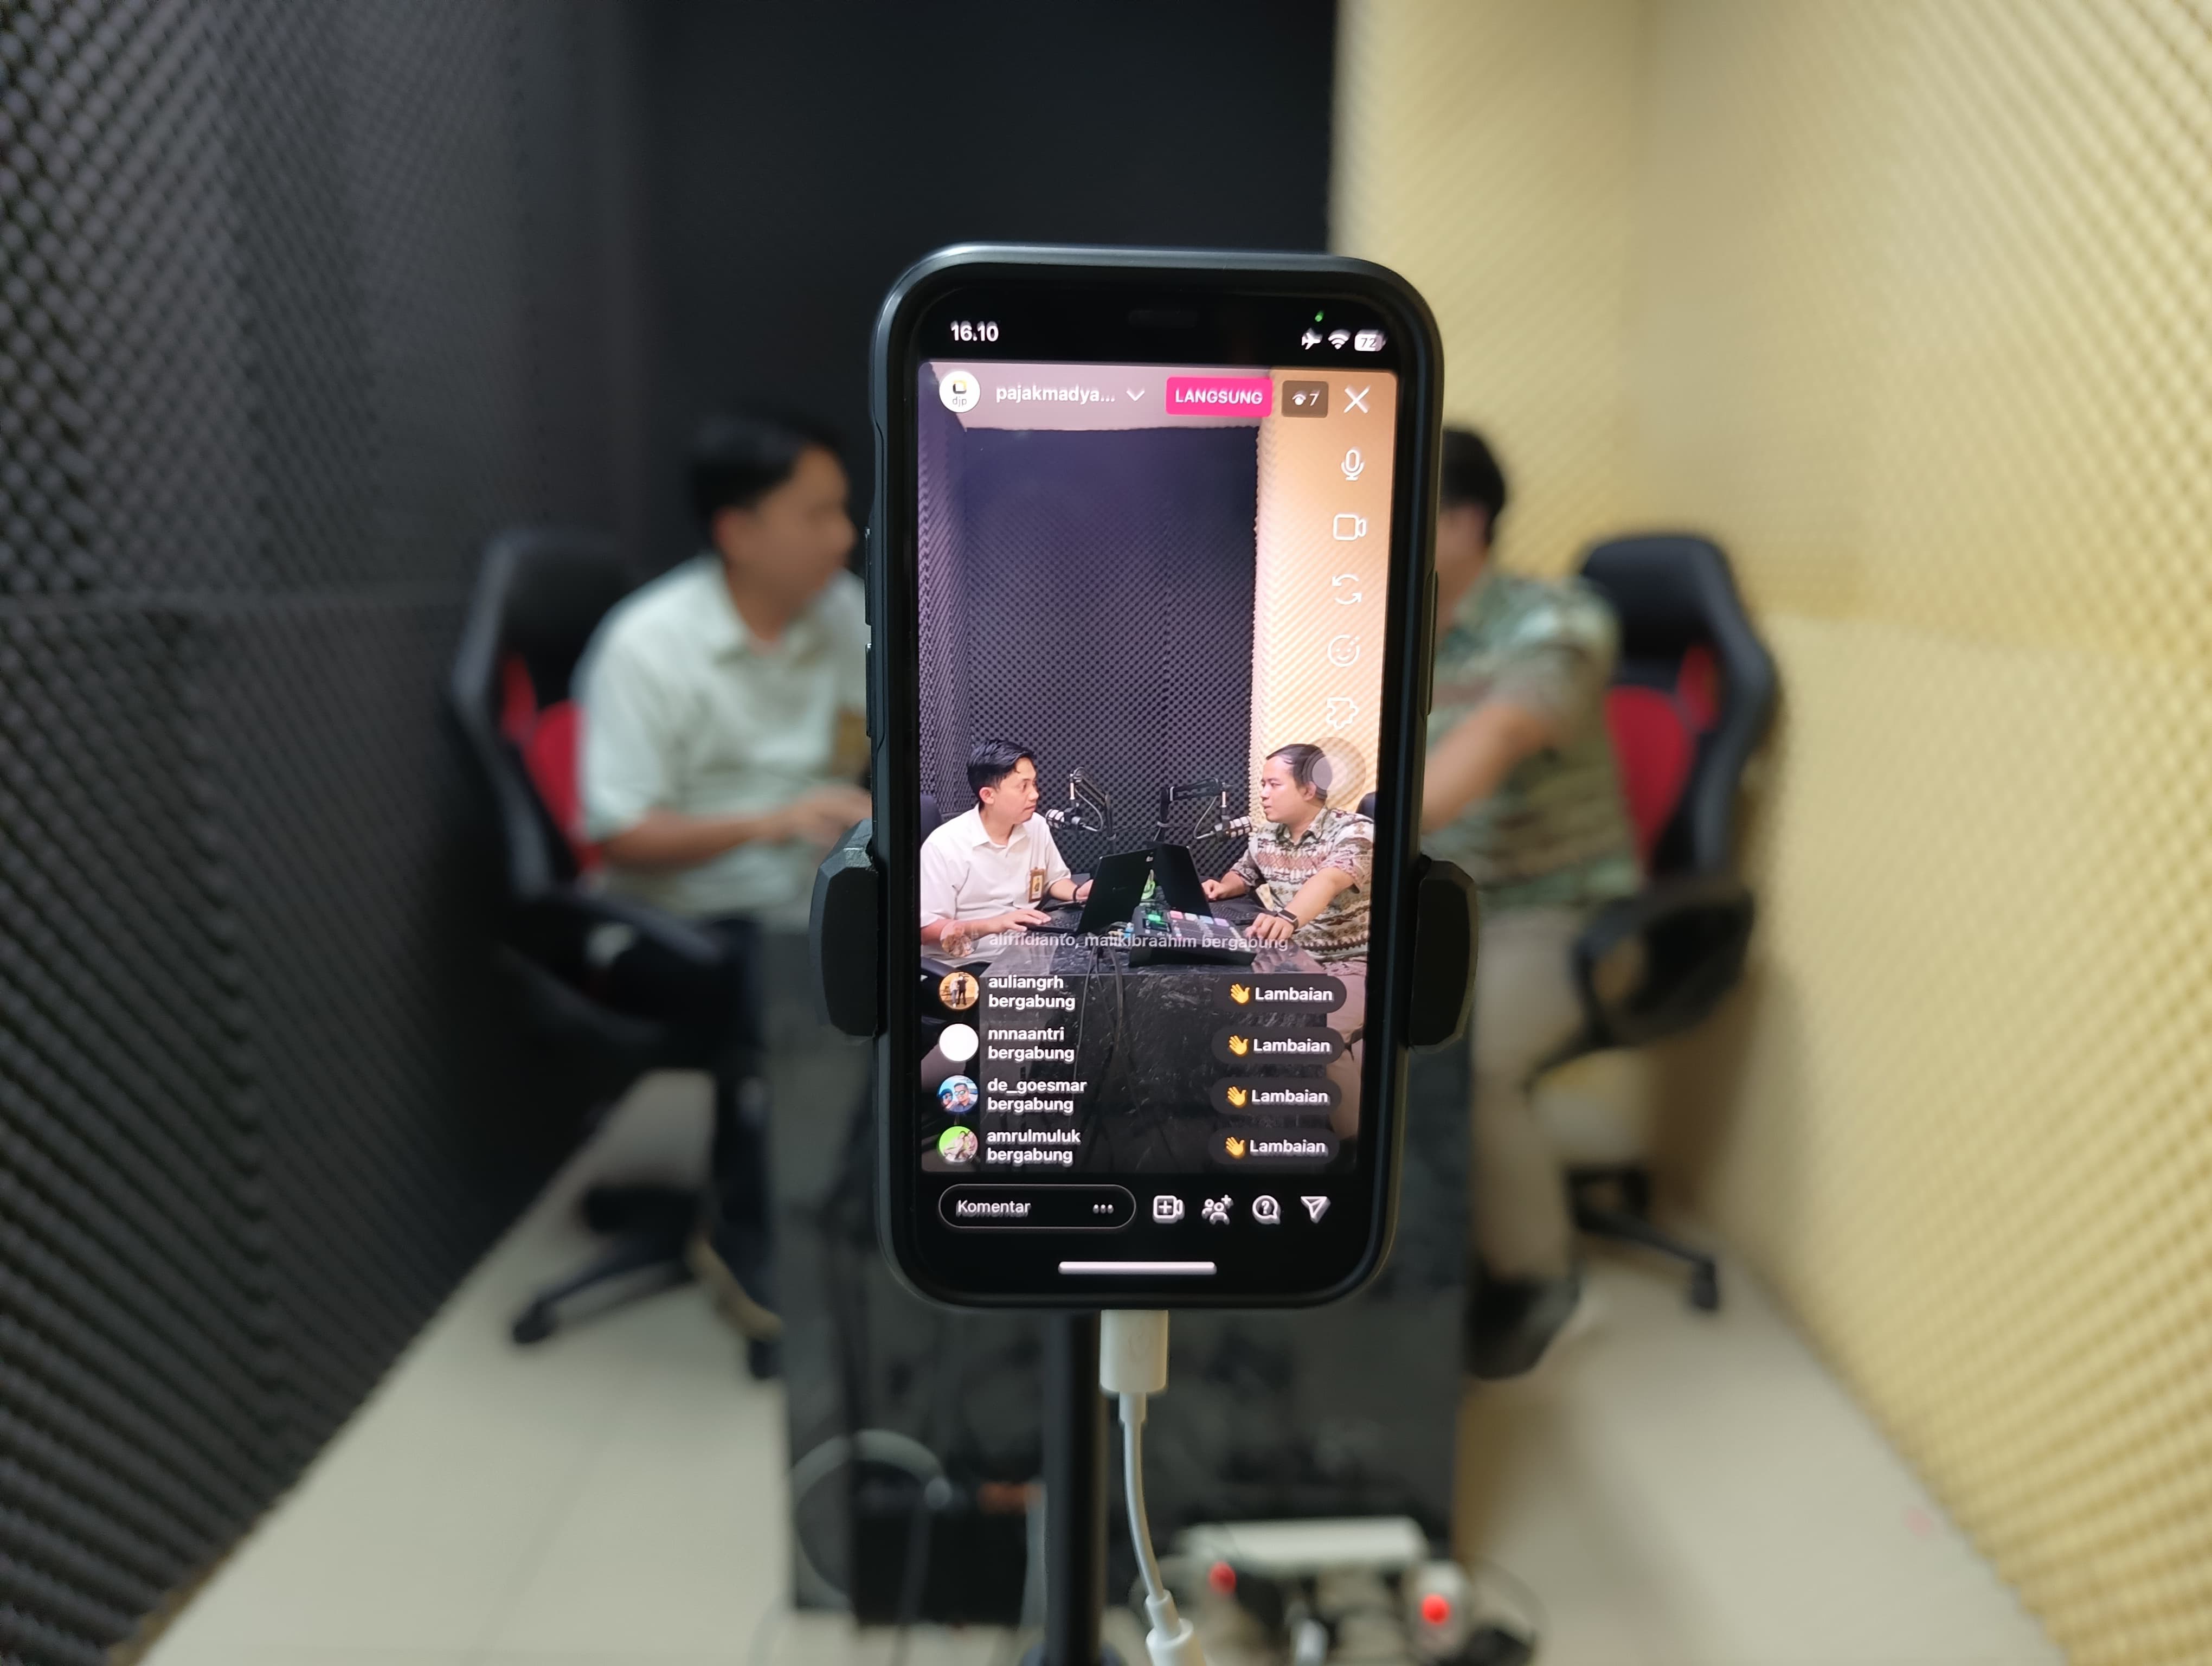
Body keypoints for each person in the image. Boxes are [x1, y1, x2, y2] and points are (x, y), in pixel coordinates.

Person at [577, 410, 872, 1350]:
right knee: (797, 993)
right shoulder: (647, 644)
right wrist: (773, 820)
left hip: (799, 892)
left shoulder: (844, 613)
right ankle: (753, 1231)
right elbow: (622, 834)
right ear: (738, 531)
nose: (843, 533)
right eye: (817, 514)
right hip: (680, 918)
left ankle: (863, 1199)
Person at [1423, 427, 1639, 1380]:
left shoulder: (1558, 623)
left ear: (1465, 522)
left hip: (1558, 910)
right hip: (1444, 896)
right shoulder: (1387, 620)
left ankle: (1541, 1282)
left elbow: (1495, 739)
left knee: (1477, 1062)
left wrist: (1342, 828)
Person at [1203, 743, 1371, 1136]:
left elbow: (1328, 880)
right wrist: (1223, 887)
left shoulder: (1356, 831)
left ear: (1309, 788)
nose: (1263, 793)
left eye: (1273, 784)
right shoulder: (1266, 837)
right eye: (1263, 784)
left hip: (1354, 967)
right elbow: (1244, 874)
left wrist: (1288, 917)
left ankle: (1354, 1145)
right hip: (1294, 965)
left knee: (1316, 1032)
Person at [918, 741, 1092, 943]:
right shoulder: (944, 846)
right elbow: (926, 930)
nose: (1035, 795)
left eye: (1034, 784)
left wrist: (1077, 893)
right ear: (988, 795)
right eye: (1023, 787)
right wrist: (994, 924)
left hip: (1026, 948)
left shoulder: (1036, 826)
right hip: (971, 957)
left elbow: (1054, 880)